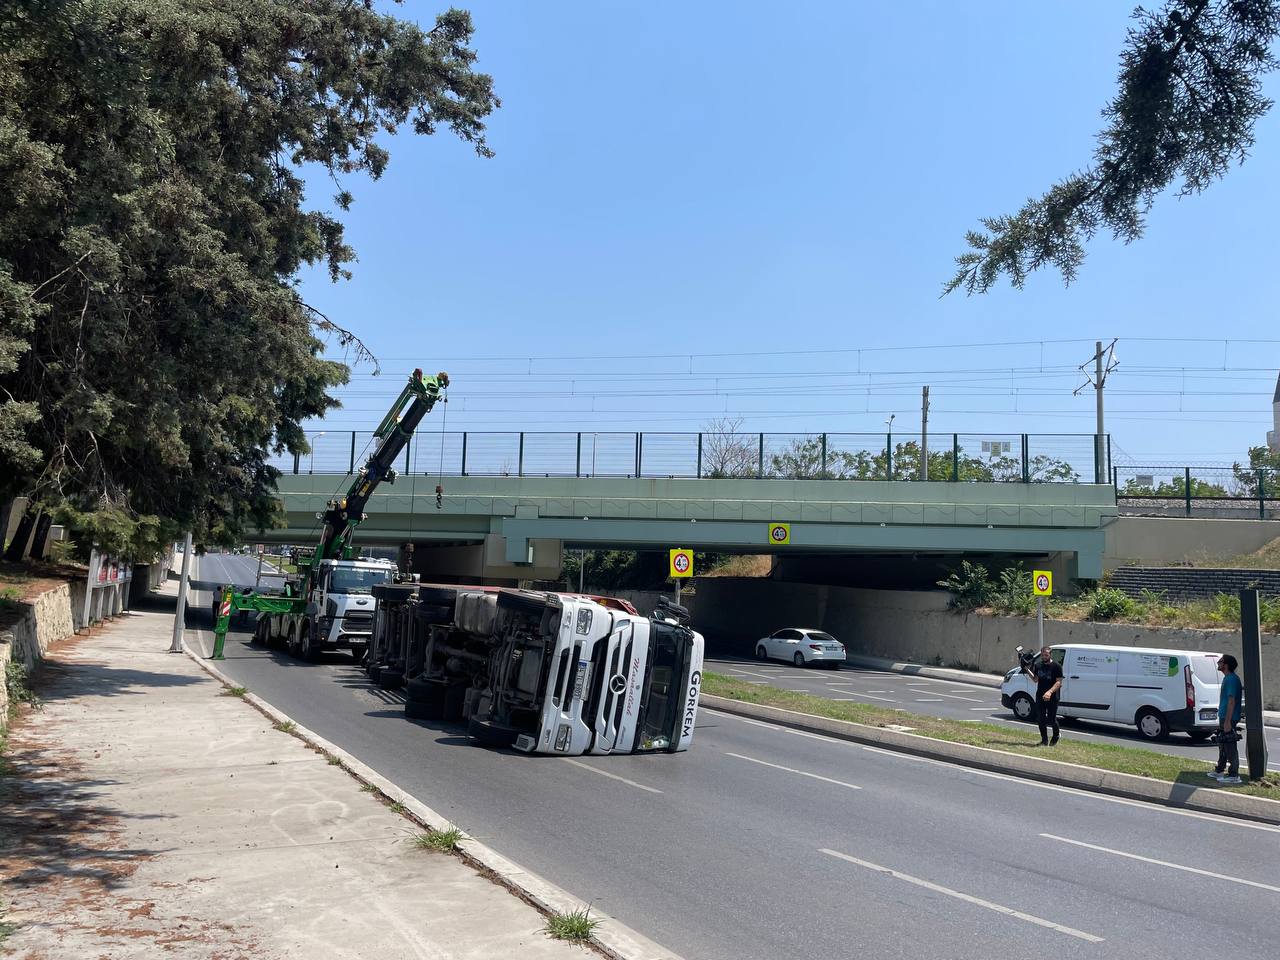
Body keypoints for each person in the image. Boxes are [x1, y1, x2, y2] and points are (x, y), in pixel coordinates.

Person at [1210, 654, 1243, 785]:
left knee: (1230, 745)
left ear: (1226, 664)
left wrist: (1228, 721)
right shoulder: (1228, 678)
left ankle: (1234, 774)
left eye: (1221, 661)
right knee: (1223, 744)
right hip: (1224, 717)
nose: (1218, 663)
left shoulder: (1231, 680)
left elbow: (1231, 701)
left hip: (1229, 718)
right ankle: (1219, 770)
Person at [1024, 646, 1063, 746]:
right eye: (1042, 655)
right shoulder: (1038, 665)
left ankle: (1056, 735)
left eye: (1046, 655)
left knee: (1051, 719)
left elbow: (1058, 683)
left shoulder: (1056, 666)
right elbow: (1035, 679)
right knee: (1041, 719)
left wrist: (1049, 692)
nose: (1044, 656)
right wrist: (1026, 669)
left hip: (1053, 697)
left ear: (1050, 654)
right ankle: (1044, 740)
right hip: (1040, 696)